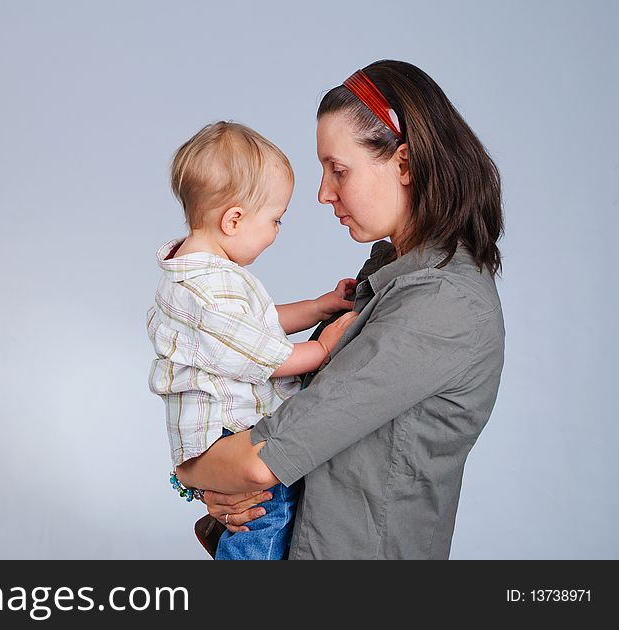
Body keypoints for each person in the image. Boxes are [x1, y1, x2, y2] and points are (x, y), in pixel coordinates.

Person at [175, 60, 506, 560]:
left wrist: (190, 469)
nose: (323, 192)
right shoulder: (391, 275)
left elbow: (267, 457)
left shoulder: (443, 304)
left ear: (403, 164)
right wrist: (226, 490)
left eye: (339, 170)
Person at [147, 121, 359, 559]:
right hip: (227, 428)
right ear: (235, 219)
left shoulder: (199, 274)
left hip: (216, 432)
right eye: (276, 219)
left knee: (258, 522)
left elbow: (256, 326)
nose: (278, 230)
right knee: (266, 520)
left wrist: (318, 307)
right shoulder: (210, 287)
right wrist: (321, 349)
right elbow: (260, 353)